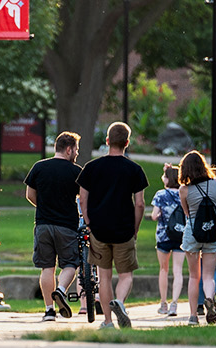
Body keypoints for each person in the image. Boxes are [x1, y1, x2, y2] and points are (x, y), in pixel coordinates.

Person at [77, 122, 149, 329]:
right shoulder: (134, 170)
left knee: (104, 276)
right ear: (127, 143)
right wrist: (135, 228)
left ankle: (107, 321)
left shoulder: (91, 168)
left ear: (107, 141)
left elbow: (83, 199)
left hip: (98, 230)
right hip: (124, 229)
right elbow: (140, 203)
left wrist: (89, 222)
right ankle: (120, 303)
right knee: (126, 275)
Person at [23, 131, 84, 322]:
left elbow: (29, 194)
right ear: (68, 149)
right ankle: (61, 290)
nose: (76, 154)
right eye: (76, 150)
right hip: (67, 226)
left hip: (43, 225)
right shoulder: (76, 172)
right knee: (70, 264)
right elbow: (83, 198)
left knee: (47, 268)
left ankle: (49, 310)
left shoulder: (39, 167)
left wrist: (43, 207)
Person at [178, 150, 216, 325]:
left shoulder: (184, 190)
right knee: (208, 276)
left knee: (194, 276)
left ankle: (193, 316)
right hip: (213, 232)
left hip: (193, 233)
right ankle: (209, 298)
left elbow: (187, 213)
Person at [148, 163, 185, 317]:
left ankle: (163, 303)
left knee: (164, 269)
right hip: (181, 235)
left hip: (163, 236)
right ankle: (174, 304)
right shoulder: (184, 193)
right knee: (178, 270)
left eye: (164, 176)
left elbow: (154, 215)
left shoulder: (160, 195)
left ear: (167, 179)